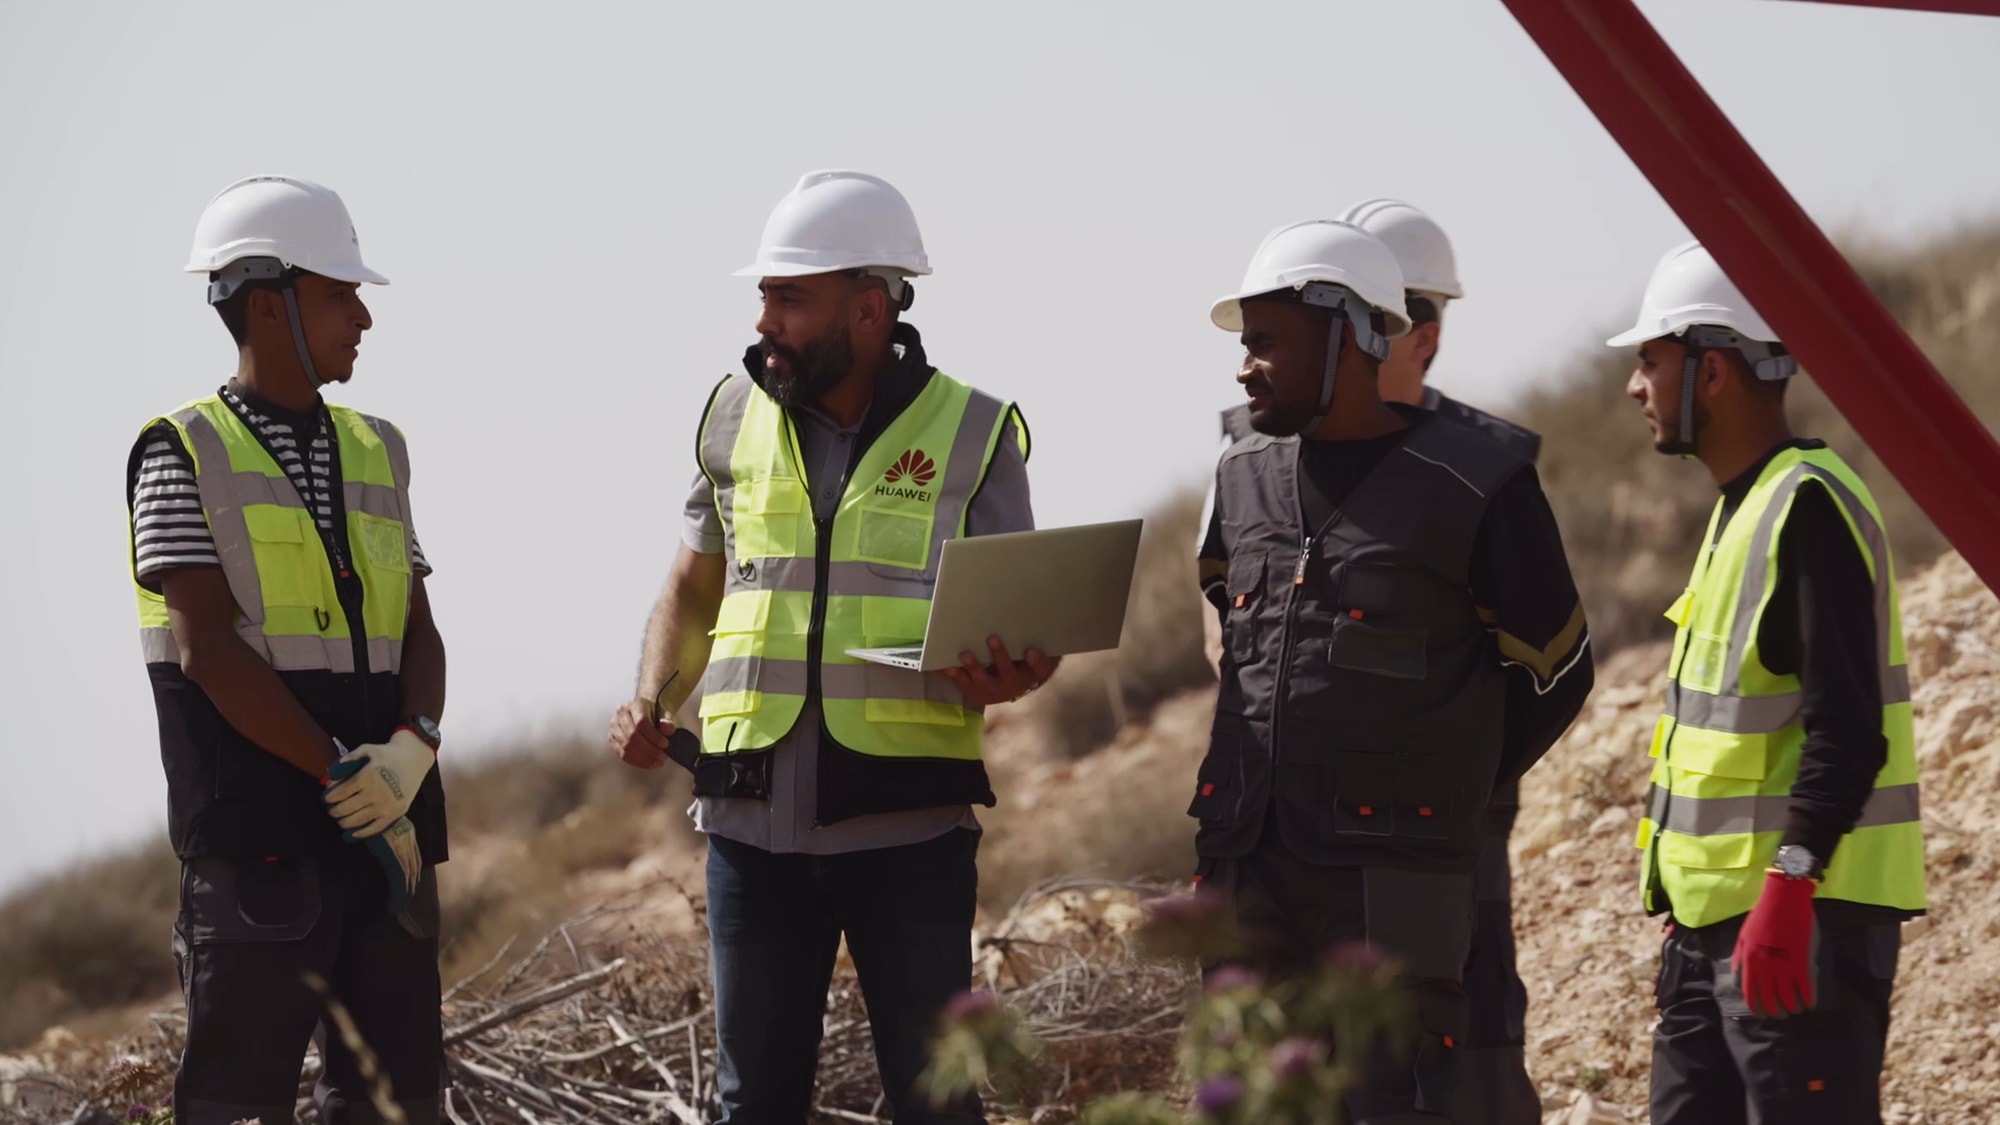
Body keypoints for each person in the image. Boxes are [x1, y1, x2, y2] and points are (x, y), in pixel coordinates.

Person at [606, 169, 1053, 1124]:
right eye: (764, 295)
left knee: (937, 1102)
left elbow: (1020, 627)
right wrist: (652, 693)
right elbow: (692, 585)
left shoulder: (974, 432)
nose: (766, 320)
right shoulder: (730, 414)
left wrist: (1016, 670)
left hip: (910, 831)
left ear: (868, 306)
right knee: (752, 1105)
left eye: (789, 298)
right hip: (748, 826)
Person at [1191, 217, 1593, 1123]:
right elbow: (1233, 630)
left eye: (1264, 342)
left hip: (1394, 881)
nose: (1243, 365)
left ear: (1346, 333)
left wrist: (1452, 777)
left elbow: (1557, 674)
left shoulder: (1480, 484)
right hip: (1246, 865)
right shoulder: (1241, 475)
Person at [130, 175, 449, 1124]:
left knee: (398, 1108)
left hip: (387, 849)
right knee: (237, 1108)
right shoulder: (176, 451)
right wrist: (344, 773)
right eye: (340, 294)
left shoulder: (379, 447)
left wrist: (413, 747)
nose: (363, 317)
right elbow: (206, 652)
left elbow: (419, 629)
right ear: (268, 303)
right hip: (257, 852)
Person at [1612, 241, 1927, 1125]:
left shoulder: (1807, 506)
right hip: (1716, 937)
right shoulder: (1740, 509)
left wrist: (1789, 890)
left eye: (1650, 361)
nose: (1637, 387)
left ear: (1711, 371)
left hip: (1799, 934)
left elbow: (1848, 729)